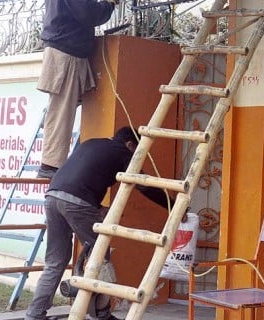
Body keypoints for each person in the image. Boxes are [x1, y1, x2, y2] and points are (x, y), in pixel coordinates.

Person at [25, 127, 172, 320]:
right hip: (77, 202)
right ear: (130, 144)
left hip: (52, 197)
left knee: (55, 260)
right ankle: (101, 314)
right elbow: (143, 185)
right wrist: (173, 204)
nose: (136, 156)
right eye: (136, 151)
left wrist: (97, 206)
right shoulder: (123, 152)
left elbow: (81, 177)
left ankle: (34, 314)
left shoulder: (91, 142)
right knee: (100, 257)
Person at [36, 0, 122, 179]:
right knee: (63, 109)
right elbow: (90, 13)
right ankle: (50, 166)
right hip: (68, 54)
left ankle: (49, 123)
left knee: (67, 101)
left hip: (60, 52)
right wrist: (110, 3)